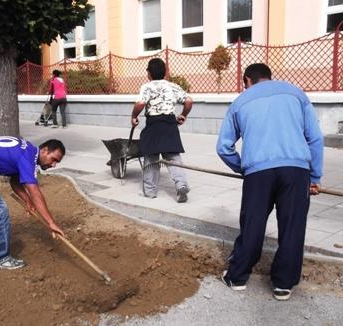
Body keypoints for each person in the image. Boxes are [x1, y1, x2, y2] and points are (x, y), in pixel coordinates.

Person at [216, 63, 324, 301]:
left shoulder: (240, 102)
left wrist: (244, 168)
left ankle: (237, 277)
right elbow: (315, 138)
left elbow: (223, 148)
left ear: (247, 80)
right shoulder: (295, 93)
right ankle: (283, 285)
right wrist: (314, 177)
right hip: (296, 170)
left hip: (258, 173)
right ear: (269, 77)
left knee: (252, 224)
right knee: (293, 227)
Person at [0, 137, 66, 270]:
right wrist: (51, 223)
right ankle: (1, 259)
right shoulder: (27, 158)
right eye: (53, 159)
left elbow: (14, 181)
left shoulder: (29, 151)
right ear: (44, 150)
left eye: (57, 162)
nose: (54, 164)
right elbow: (35, 193)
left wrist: (27, 201)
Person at [131, 58, 193, 202]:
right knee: (173, 157)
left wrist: (134, 116)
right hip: (170, 124)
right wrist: (183, 115)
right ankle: (181, 185)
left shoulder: (146, 87)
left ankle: (150, 191)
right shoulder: (173, 86)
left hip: (153, 124)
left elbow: (140, 103)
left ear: (148, 73)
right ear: (165, 72)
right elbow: (189, 101)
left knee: (151, 158)